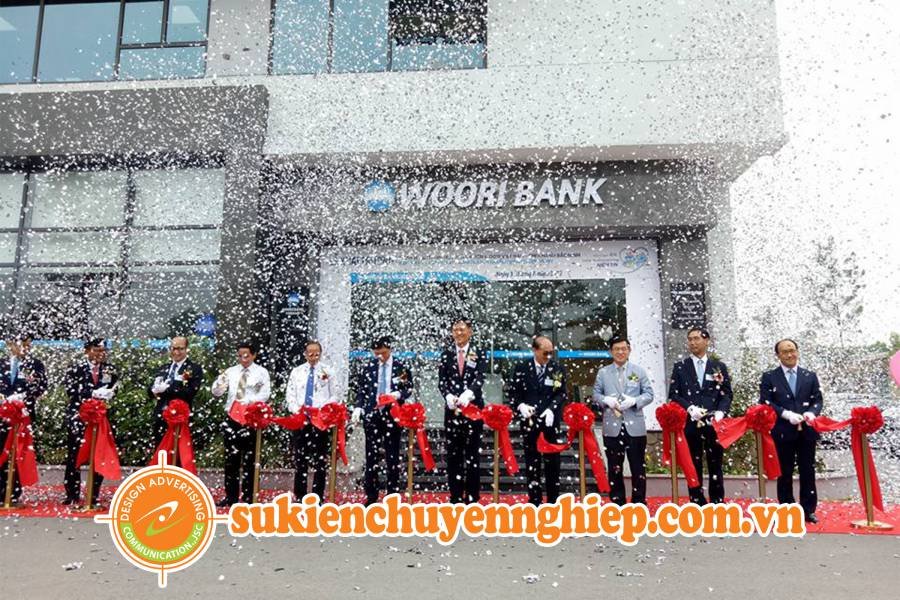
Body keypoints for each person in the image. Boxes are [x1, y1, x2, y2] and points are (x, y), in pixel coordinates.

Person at [759, 338, 823, 523]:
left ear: (797, 351)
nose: (789, 354)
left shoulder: (809, 376)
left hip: (807, 431)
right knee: (784, 472)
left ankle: (808, 510)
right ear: (778, 355)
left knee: (807, 470)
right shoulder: (770, 377)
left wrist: (812, 412)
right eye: (785, 351)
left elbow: (818, 399)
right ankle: (787, 508)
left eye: (792, 350)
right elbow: (766, 401)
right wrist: (785, 414)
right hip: (782, 430)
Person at [667, 327, 733, 504]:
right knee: (693, 463)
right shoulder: (681, 367)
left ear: (706, 341)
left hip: (713, 423)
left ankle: (717, 500)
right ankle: (696, 500)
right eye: (690, 339)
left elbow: (726, 393)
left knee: (715, 462)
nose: (693, 342)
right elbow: (674, 394)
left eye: (697, 338)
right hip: (691, 422)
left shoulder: (718, 367)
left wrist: (721, 411)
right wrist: (689, 408)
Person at [592, 334, 654, 505]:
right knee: (614, 468)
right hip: (612, 427)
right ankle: (617, 502)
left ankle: (639, 502)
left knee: (638, 467)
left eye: (624, 349)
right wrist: (605, 400)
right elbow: (595, 395)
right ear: (611, 351)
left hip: (635, 426)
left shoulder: (638, 371)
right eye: (617, 349)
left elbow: (649, 394)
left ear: (629, 350)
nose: (620, 352)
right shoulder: (603, 373)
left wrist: (634, 401)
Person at [352, 336, 414, 505]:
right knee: (371, 456)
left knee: (392, 456)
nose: (380, 356)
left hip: (392, 415)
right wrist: (358, 407)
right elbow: (362, 390)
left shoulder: (400, 367)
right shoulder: (369, 367)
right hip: (373, 414)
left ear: (390, 349)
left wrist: (398, 394)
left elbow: (408, 388)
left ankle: (392, 494)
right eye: (377, 353)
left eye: (384, 353)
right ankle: (371, 495)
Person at [211, 342, 271, 507]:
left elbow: (265, 394)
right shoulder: (231, 371)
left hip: (250, 418)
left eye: (246, 355)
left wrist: (249, 401)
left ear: (253, 355)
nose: (243, 359)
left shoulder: (261, 372)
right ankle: (231, 496)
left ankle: (249, 496)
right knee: (231, 459)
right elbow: (217, 392)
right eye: (240, 356)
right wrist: (219, 384)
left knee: (251, 459)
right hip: (232, 417)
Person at [508, 335, 567, 505]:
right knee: (532, 462)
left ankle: (553, 500)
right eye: (545, 352)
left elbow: (561, 393)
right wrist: (521, 406)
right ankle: (534, 499)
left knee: (552, 463)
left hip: (550, 422)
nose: (548, 356)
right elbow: (514, 393)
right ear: (534, 350)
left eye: (551, 352)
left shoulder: (556, 368)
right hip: (530, 422)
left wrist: (551, 409)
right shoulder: (522, 368)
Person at [63, 338, 118, 505]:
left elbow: (114, 387)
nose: (100, 354)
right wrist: (91, 393)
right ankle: (72, 494)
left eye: (103, 350)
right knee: (74, 454)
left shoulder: (109, 369)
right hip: (79, 415)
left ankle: (93, 494)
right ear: (87, 351)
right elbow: (71, 390)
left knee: (98, 454)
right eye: (96, 350)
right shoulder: (75, 369)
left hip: (100, 416)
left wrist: (109, 394)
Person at [438, 318, 487, 503]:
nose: (458, 333)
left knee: (472, 454)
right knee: (454, 455)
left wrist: (469, 393)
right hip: (452, 412)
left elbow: (480, 377)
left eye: (462, 329)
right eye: (455, 330)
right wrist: (448, 395)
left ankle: (473, 497)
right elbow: (442, 381)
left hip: (473, 410)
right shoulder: (447, 354)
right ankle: (456, 496)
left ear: (470, 332)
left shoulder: (478, 353)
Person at [0, 330, 48, 504]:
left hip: (22, 415)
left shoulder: (35, 364)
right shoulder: (1, 363)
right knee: (1, 451)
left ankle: (13, 492)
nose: (25, 349)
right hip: (2, 414)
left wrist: (24, 398)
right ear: (11, 345)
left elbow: (41, 386)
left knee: (19, 452)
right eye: (22, 345)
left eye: (28, 345)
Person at [285, 340, 336, 500]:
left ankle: (317, 496)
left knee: (320, 460)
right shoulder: (297, 372)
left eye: (316, 352)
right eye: (310, 352)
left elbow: (335, 394)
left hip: (320, 420)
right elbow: (290, 394)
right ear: (305, 354)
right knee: (300, 458)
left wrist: (322, 409)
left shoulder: (328, 371)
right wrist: (296, 409)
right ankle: (300, 495)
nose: (313, 356)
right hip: (301, 418)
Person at [146, 336, 204, 452]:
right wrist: (154, 390)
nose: (176, 352)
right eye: (174, 348)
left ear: (186, 349)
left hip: (180, 417)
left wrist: (167, 389)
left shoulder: (194, 368)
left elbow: (190, 392)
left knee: (178, 453)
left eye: (180, 348)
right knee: (160, 452)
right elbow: (150, 390)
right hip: (161, 415)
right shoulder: (164, 368)